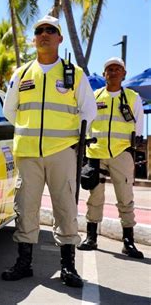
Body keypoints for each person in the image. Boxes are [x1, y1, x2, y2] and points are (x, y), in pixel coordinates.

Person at [2, 15, 97, 288]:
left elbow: (88, 111)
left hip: (62, 152)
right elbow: (10, 111)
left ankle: (68, 266)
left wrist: (72, 143)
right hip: (28, 153)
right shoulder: (21, 74)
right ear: (34, 39)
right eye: (39, 30)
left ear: (59, 38)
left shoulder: (73, 74)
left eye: (51, 30)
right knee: (25, 207)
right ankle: (24, 263)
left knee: (65, 207)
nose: (44, 34)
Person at [77, 57, 144, 259]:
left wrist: (131, 150)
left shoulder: (133, 98)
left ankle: (128, 242)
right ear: (104, 73)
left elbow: (139, 126)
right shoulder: (95, 96)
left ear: (124, 74)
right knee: (94, 197)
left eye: (117, 69)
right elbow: (85, 123)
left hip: (121, 153)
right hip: (96, 153)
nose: (113, 72)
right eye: (109, 69)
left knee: (125, 198)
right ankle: (91, 238)